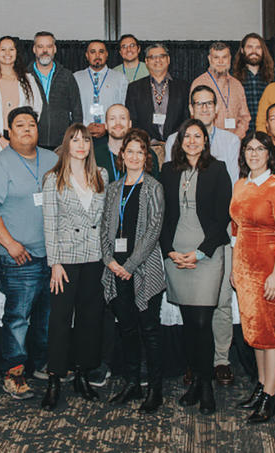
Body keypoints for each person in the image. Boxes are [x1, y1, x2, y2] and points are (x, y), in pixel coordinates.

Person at [0, 107, 59, 400]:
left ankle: (42, 365)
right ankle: (14, 373)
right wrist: (10, 244)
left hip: (52, 257)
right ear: (9, 132)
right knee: (17, 318)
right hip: (18, 257)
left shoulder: (52, 159)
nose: (27, 129)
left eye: (32, 124)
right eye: (20, 125)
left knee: (48, 317)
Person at [165, 85, 241, 385]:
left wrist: (202, 250)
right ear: (191, 108)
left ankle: (220, 359)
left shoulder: (228, 148)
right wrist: (171, 250)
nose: (204, 108)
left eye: (209, 103)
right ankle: (196, 362)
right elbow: (167, 211)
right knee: (191, 314)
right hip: (179, 245)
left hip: (215, 238)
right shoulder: (171, 158)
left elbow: (228, 202)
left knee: (220, 302)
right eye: (198, 103)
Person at [159, 119, 233, 415]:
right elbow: (161, 215)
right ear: (179, 141)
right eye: (186, 136)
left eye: (197, 136)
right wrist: (169, 252)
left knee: (202, 321)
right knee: (189, 322)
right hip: (176, 253)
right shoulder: (167, 171)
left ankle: (205, 384)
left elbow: (222, 218)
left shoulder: (218, 170)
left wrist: (199, 253)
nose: (192, 141)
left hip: (207, 254)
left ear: (205, 140)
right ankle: (196, 381)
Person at [38, 124, 109, 410]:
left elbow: (105, 221)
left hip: (94, 258)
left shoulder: (100, 175)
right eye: (75, 140)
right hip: (65, 261)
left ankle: (82, 374)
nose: (81, 145)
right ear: (66, 144)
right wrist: (54, 262)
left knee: (90, 320)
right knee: (60, 321)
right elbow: (50, 224)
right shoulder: (53, 178)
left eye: (86, 140)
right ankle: (55, 377)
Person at [229, 131, 275, 423]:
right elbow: (235, 230)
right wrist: (234, 268)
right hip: (244, 268)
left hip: (270, 268)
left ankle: (270, 396)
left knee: (270, 332)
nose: (254, 154)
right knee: (254, 331)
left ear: (270, 154)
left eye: (260, 149)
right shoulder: (240, 184)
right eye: (249, 149)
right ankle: (259, 385)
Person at [100, 128, 166, 413]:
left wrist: (129, 265)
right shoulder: (113, 188)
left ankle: (155, 389)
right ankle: (132, 383)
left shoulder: (153, 187)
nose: (135, 156)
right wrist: (109, 260)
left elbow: (153, 231)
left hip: (143, 270)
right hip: (116, 270)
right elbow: (104, 228)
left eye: (141, 151)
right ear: (122, 156)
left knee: (149, 330)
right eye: (130, 151)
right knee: (126, 329)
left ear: (146, 157)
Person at [0, 36, 43, 155]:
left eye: (11, 49)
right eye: (3, 49)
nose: (7, 53)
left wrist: (24, 133)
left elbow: (37, 107)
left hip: (21, 138)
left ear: (17, 53)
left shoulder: (29, 80)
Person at [125, 43, 189, 147]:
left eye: (161, 56)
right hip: (145, 146)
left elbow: (186, 119)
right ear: (146, 61)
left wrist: (174, 141)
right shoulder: (134, 88)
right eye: (152, 57)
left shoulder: (183, 87)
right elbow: (133, 120)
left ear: (168, 60)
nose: (157, 60)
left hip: (176, 146)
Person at [29, 32, 82, 150]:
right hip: (32, 142)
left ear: (55, 49)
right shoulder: (24, 76)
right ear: (34, 49)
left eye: (49, 46)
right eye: (40, 46)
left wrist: (74, 137)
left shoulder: (67, 76)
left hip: (62, 144)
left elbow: (77, 110)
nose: (45, 50)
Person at [190, 42, 252, 138]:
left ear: (230, 59)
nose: (220, 61)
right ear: (209, 59)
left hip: (234, 143)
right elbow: (195, 117)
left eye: (224, 57)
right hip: (209, 142)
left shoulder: (237, 85)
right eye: (216, 58)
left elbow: (245, 117)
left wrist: (235, 138)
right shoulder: (199, 83)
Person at [94, 104, 160, 183]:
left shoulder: (147, 155)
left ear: (130, 124)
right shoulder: (94, 155)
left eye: (122, 118)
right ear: (106, 125)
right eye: (112, 119)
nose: (118, 123)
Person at [77, 40, 128, 137]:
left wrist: (107, 126)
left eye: (101, 51)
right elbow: (72, 109)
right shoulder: (76, 78)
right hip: (83, 134)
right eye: (92, 52)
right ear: (87, 55)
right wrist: (85, 126)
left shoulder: (120, 78)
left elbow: (124, 108)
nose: (97, 55)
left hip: (112, 134)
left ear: (107, 54)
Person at [233, 33, 275, 132]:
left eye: (258, 47)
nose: (254, 51)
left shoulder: (274, 77)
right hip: (241, 134)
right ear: (242, 50)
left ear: (263, 51)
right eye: (249, 47)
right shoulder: (233, 77)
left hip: (267, 133)